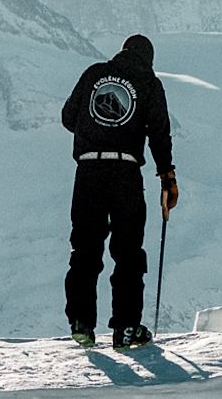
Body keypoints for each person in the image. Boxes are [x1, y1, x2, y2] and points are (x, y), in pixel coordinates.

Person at [57, 32, 178, 349]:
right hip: (125, 173)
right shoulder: (149, 83)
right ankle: (125, 329)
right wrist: (167, 177)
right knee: (128, 252)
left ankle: (82, 324)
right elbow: (160, 134)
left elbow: (68, 117)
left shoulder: (94, 73)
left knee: (85, 248)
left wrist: (94, 129)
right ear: (148, 60)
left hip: (88, 171)